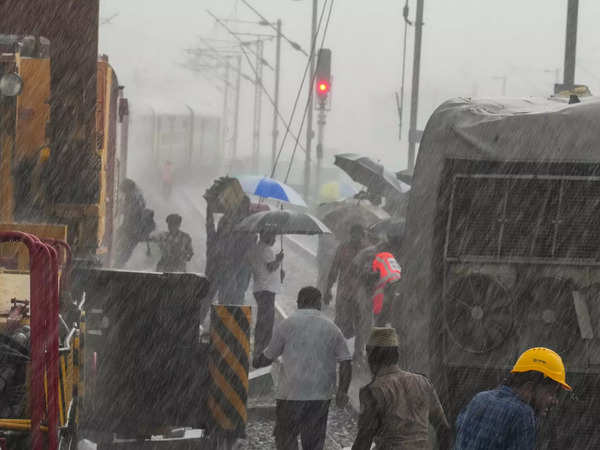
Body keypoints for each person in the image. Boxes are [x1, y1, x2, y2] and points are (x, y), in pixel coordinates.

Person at [254, 287, 353, 450]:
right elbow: (346, 361)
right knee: (313, 442)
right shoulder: (331, 328)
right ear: (318, 303)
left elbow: (268, 356)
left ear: (299, 303)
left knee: (286, 437)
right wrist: (342, 391)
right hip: (319, 395)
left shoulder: (287, 324)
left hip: (290, 394)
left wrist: (256, 361)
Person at [454, 347, 571, 450]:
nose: (555, 401)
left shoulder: (479, 398)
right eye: (551, 392)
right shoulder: (523, 414)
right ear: (529, 387)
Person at [352, 327, 449, 450]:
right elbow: (444, 428)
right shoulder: (423, 382)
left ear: (371, 356)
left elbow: (363, 441)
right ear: (396, 355)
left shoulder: (372, 391)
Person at [205, 196, 255, 305]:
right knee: (230, 300)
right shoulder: (246, 227)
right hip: (229, 271)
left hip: (226, 271)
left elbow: (210, 227)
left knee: (221, 299)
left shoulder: (236, 225)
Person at [325, 224, 367, 337]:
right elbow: (334, 269)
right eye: (354, 235)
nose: (355, 238)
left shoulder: (367, 252)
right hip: (344, 293)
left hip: (359, 295)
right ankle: (336, 347)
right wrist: (328, 289)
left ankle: (357, 352)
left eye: (358, 236)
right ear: (350, 235)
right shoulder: (343, 248)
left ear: (362, 236)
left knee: (358, 325)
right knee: (340, 322)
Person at [248, 230, 283, 361]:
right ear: (266, 235)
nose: (274, 238)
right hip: (266, 290)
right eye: (273, 235)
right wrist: (278, 260)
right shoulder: (266, 249)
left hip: (259, 288)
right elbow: (270, 267)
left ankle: (259, 349)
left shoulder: (255, 248)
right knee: (267, 322)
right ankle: (263, 352)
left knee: (263, 320)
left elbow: (263, 268)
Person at [114, 179, 150, 267]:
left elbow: (131, 211)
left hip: (132, 229)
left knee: (124, 249)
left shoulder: (133, 196)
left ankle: (118, 265)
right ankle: (118, 264)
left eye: (124, 190)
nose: (123, 193)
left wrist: (119, 208)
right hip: (133, 229)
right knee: (123, 248)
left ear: (127, 189)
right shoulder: (137, 195)